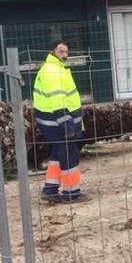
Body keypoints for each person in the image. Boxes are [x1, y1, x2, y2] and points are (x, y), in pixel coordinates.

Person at [33, 40, 85, 203]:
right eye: (61, 51)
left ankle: (50, 189)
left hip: (51, 121)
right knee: (69, 153)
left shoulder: (54, 69)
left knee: (57, 152)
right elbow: (57, 100)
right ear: (52, 51)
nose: (64, 55)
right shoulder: (53, 71)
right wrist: (66, 124)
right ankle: (71, 192)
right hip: (57, 121)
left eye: (66, 52)